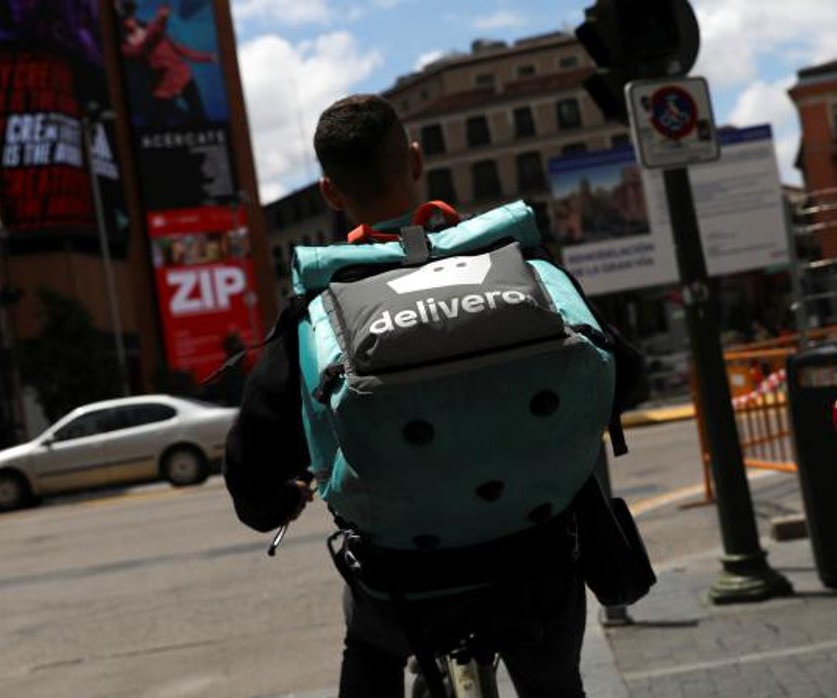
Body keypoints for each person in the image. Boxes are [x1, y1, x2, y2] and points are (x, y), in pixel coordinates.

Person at [223, 94, 590, 698]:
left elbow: (251, 463)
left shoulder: (322, 305)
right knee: (556, 684)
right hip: (533, 562)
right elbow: (618, 376)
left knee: (368, 647)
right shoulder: (512, 262)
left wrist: (274, 503)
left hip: (403, 582)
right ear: (416, 161)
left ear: (330, 193)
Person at [118, 2, 217, 127]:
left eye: (130, 17)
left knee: (201, 117)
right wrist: (161, 18)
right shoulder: (127, 47)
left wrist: (209, 57)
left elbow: (181, 50)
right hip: (163, 88)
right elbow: (145, 45)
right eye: (125, 19)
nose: (129, 20)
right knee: (158, 123)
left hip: (183, 78)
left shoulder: (152, 29)